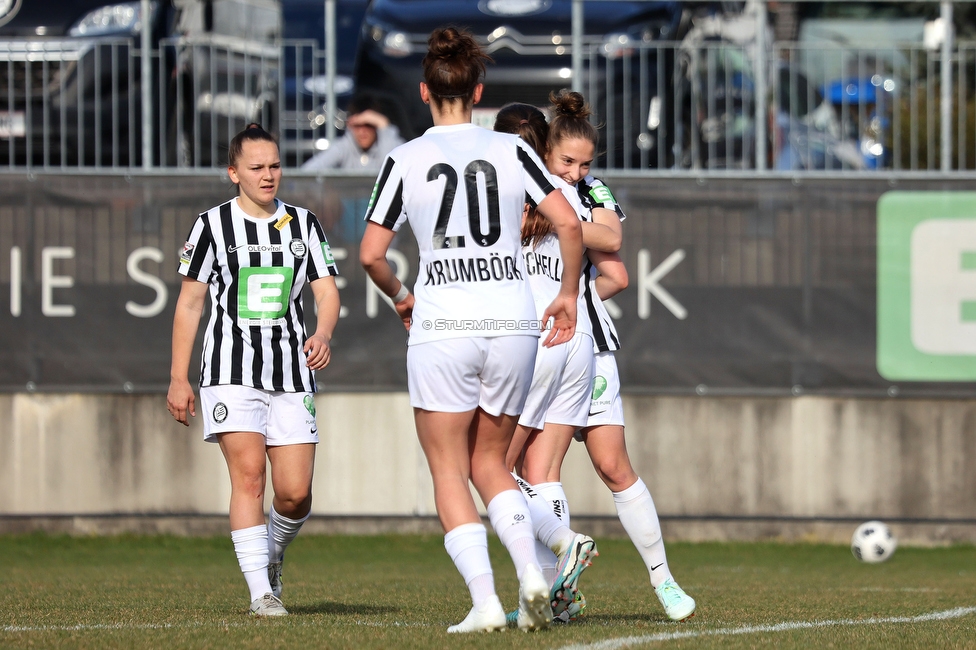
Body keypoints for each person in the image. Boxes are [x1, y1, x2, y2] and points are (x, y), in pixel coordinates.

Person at [359, 27, 584, 634]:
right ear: (478, 90)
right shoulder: (513, 151)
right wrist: (566, 295)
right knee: (491, 462)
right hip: (512, 323)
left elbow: (371, 253)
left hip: (444, 325)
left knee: (447, 470)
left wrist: (404, 298)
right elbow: (568, 224)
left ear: (425, 90)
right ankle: (532, 574)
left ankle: (486, 601)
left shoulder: (404, 159)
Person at [516, 90, 698, 623]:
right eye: (566, 162)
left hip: (563, 346)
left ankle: (655, 581)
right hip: (582, 347)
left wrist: (559, 230)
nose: (576, 172)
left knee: (555, 467)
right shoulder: (543, 191)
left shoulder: (561, 193)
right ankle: (569, 596)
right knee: (561, 467)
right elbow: (614, 273)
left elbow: (612, 238)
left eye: (584, 163)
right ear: (546, 151)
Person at [167, 123, 341, 617]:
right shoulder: (211, 226)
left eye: (274, 165)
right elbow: (189, 305)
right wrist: (180, 377)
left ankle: (272, 553)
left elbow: (327, 293)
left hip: (291, 372)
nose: (268, 176)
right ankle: (260, 593)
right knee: (248, 479)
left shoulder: (304, 223)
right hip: (229, 370)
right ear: (233, 172)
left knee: (295, 493)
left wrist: (323, 333)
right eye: (256, 167)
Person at [301, 94, 405, 171]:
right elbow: (308, 171)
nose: (362, 131)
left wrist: (384, 125)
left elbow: (398, 167)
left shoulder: (387, 142)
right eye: (358, 126)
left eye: (368, 125)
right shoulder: (344, 146)